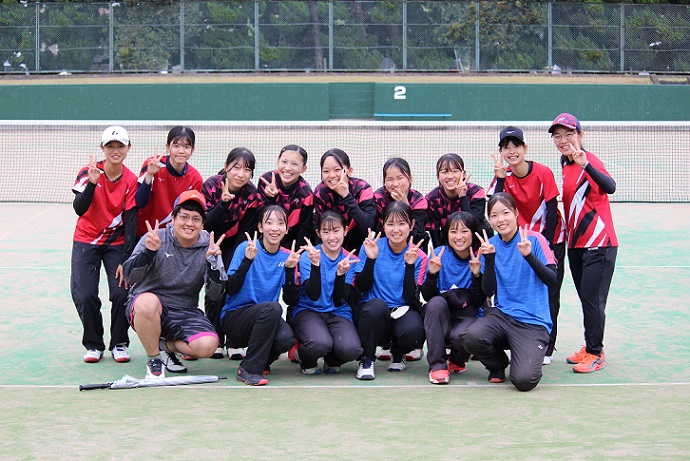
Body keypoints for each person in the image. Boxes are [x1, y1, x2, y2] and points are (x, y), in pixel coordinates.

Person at [123, 190, 226, 378]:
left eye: (196, 219)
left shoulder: (209, 247)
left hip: (184, 310)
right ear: (172, 218)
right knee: (147, 302)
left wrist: (212, 266)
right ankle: (154, 358)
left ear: (203, 224)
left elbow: (215, 295)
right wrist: (148, 252)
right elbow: (129, 278)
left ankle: (162, 345)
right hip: (148, 308)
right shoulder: (155, 238)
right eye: (184, 217)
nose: (189, 223)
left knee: (208, 346)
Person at [462, 192, 558, 391]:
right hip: (503, 316)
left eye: (505, 212)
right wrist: (488, 260)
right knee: (471, 337)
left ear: (515, 213)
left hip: (533, 322)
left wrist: (529, 255)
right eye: (494, 215)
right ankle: (498, 365)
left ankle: (526, 355)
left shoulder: (534, 240)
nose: (500, 219)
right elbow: (488, 291)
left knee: (523, 381)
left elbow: (552, 280)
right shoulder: (490, 246)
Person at [488, 126, 566, 365]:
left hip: (549, 239)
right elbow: (494, 207)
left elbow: (552, 211)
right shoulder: (503, 176)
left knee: (551, 291)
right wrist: (501, 179)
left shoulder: (542, 173)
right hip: (518, 243)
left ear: (524, 148)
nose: (512, 151)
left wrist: (549, 246)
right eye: (506, 147)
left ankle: (548, 346)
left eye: (516, 146)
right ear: (501, 152)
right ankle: (514, 336)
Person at [549, 113, 617, 374]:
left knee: (592, 299)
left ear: (580, 135)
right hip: (576, 243)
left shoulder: (589, 160)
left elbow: (610, 187)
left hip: (600, 243)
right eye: (558, 136)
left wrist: (586, 164)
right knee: (585, 297)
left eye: (568, 134)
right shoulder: (566, 164)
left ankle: (595, 352)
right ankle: (590, 346)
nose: (563, 140)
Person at [70, 125, 138, 364]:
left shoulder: (131, 180)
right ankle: (93, 344)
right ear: (102, 148)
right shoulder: (87, 172)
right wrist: (91, 183)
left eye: (120, 146)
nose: (115, 150)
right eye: (110, 146)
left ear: (128, 148)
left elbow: (131, 223)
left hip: (116, 243)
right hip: (86, 240)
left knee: (121, 292)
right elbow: (79, 208)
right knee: (85, 294)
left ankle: (119, 343)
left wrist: (126, 260)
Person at [220, 205, 301, 386]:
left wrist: (289, 270)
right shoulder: (246, 248)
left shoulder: (287, 257)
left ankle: (261, 361)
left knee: (286, 339)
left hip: (266, 319)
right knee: (273, 308)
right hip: (235, 318)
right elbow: (230, 289)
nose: (274, 228)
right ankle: (248, 369)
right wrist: (247, 261)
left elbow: (290, 300)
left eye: (280, 223)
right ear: (260, 227)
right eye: (269, 223)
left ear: (286, 229)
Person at [352, 201, 427, 380]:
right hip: (373, 313)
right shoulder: (370, 246)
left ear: (411, 225)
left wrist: (409, 266)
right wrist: (371, 260)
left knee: (415, 332)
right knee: (376, 306)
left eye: (401, 223)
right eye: (390, 224)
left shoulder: (419, 256)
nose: (396, 229)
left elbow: (410, 297)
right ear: (383, 225)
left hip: (401, 310)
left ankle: (398, 353)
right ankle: (367, 359)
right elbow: (361, 287)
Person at [201, 147, 264, 359]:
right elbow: (205, 223)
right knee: (215, 288)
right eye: (235, 167)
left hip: (234, 244)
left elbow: (247, 230)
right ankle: (216, 337)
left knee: (234, 283)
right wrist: (223, 204)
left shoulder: (252, 195)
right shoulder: (211, 186)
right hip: (209, 241)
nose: (240, 174)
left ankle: (234, 341)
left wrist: (234, 259)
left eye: (247, 169)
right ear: (226, 167)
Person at [291, 211, 363, 375]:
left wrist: (340, 274)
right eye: (326, 231)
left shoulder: (349, 259)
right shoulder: (308, 256)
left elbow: (339, 301)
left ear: (345, 231)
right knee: (319, 344)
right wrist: (316, 265)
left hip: (338, 312)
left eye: (336, 231)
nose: (332, 237)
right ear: (318, 233)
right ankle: (304, 357)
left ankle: (332, 360)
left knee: (351, 349)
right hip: (309, 310)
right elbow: (313, 295)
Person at [373, 157, 428, 363]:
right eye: (389, 179)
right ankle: (385, 341)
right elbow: (374, 229)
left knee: (407, 293)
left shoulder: (419, 200)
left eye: (400, 177)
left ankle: (409, 341)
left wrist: (405, 207)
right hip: (384, 250)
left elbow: (420, 234)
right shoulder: (377, 197)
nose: (395, 183)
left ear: (410, 178)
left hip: (411, 250)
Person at [421, 211, 485, 384]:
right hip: (443, 314)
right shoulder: (438, 254)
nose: (458, 237)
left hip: (468, 315)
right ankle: (437, 366)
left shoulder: (481, 257)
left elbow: (479, 301)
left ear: (473, 233)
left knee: (461, 337)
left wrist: (477, 275)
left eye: (464, 231)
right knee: (434, 303)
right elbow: (427, 296)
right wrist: (432, 274)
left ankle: (458, 359)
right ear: (446, 233)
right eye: (453, 231)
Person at [135, 125, 203, 238]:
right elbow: (140, 202)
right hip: (144, 233)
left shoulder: (195, 178)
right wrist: (150, 174)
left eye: (186, 147)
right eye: (176, 146)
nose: (181, 151)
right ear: (168, 147)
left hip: (172, 237)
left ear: (192, 150)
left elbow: (190, 213)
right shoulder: (152, 164)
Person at [313, 148, 376, 252]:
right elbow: (323, 230)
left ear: (349, 171)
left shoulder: (363, 189)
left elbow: (367, 227)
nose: (332, 175)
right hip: (332, 246)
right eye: (326, 171)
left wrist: (347, 197)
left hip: (360, 246)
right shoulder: (320, 193)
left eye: (337, 170)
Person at [426, 153, 492, 249]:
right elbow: (435, 233)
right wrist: (440, 256)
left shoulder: (476, 192)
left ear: (463, 174)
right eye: (444, 172)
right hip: (451, 244)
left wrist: (462, 196)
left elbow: (473, 225)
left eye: (455, 171)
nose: (450, 176)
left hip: (479, 242)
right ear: (438, 176)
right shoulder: (432, 199)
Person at [258, 144, 314, 248]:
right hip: (265, 241)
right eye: (284, 162)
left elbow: (305, 229)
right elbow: (259, 218)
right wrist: (271, 198)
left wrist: (297, 255)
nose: (287, 168)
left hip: (290, 243)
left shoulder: (306, 193)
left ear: (303, 168)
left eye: (294, 164)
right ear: (277, 162)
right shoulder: (266, 180)